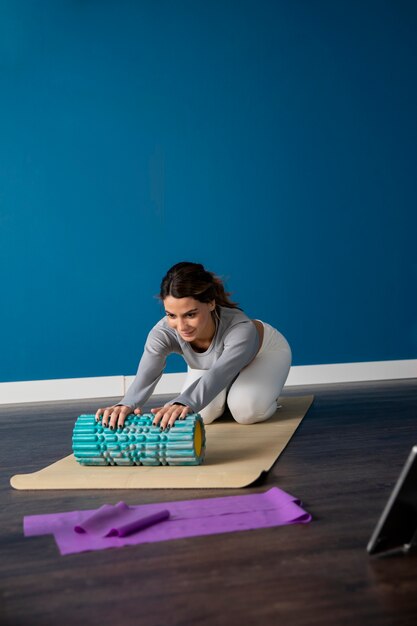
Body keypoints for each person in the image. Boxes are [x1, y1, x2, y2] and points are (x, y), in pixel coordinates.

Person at [95, 261, 292, 431]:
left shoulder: (241, 330)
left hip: (264, 353)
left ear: (211, 304)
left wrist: (184, 401)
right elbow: (147, 373)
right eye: (172, 315)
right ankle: (228, 398)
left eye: (190, 314)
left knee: (245, 411)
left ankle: (266, 397)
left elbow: (220, 373)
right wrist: (127, 404)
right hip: (212, 366)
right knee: (201, 414)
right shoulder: (163, 332)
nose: (181, 327)